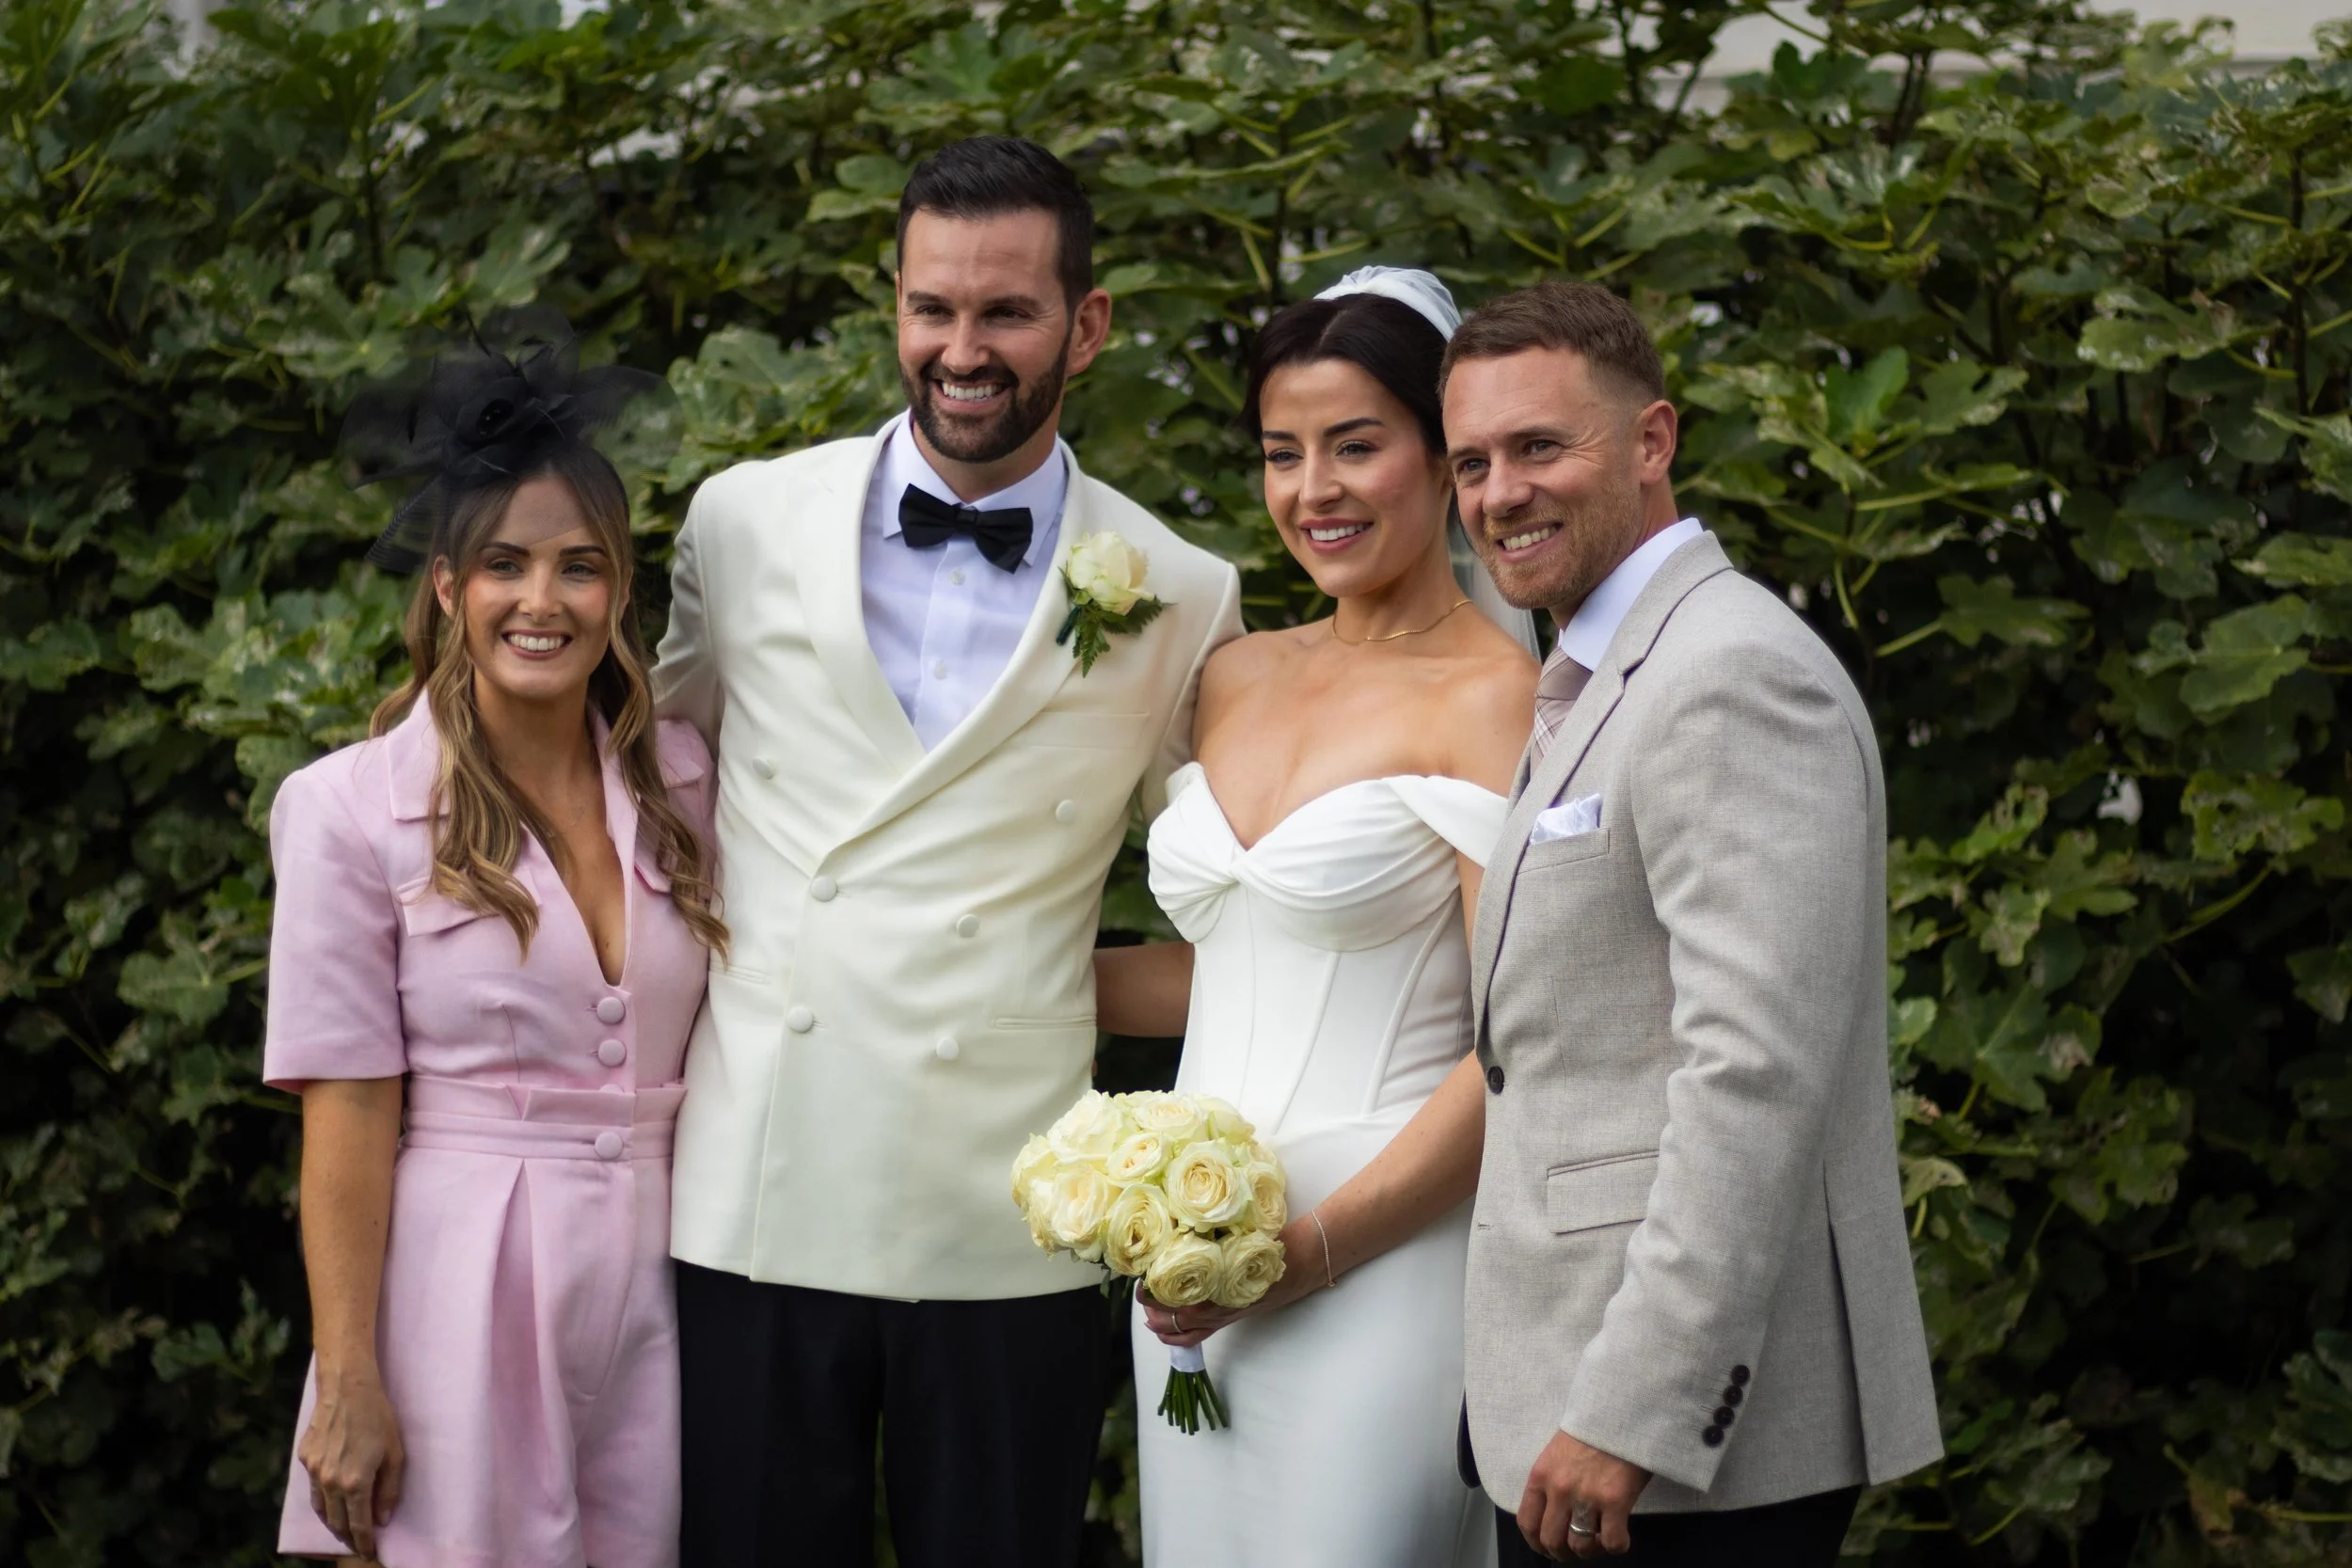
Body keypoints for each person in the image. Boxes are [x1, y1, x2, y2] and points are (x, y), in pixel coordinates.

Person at [652, 135, 1243, 1568]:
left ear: (1086, 325)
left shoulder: (1177, 589)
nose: (962, 349)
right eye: (934, 308)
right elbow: (638, 794)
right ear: (895, 305)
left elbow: (1236, 904)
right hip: (758, 1188)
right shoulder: (739, 521)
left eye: (1007, 313)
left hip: (1011, 1211)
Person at [1440, 278, 1943, 1565]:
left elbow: (1755, 1072)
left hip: (1678, 1446)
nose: (1502, 492)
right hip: (1572, 1398)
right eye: (1474, 462)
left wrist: (1635, 1406)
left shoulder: (1729, 673)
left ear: (1653, 441)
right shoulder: (1610, 669)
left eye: (1542, 446)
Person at [263, 317, 723, 1568]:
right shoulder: (346, 808)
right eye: (507, 565)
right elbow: (348, 1109)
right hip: (459, 1294)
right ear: (451, 588)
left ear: (619, 589)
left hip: (667, 1285)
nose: (543, 599)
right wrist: (349, 1371)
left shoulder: (685, 781)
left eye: (580, 566)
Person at [1098, 267, 1537, 1567]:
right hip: (1184, 1252)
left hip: (1379, 1251)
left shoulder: (1497, 697)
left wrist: (1310, 1250)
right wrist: (989, 977)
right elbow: (1233, 965)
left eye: (1356, 445)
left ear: (1441, 454)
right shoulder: (1233, 673)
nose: (1314, 490)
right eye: (1283, 453)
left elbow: (1515, 1040)